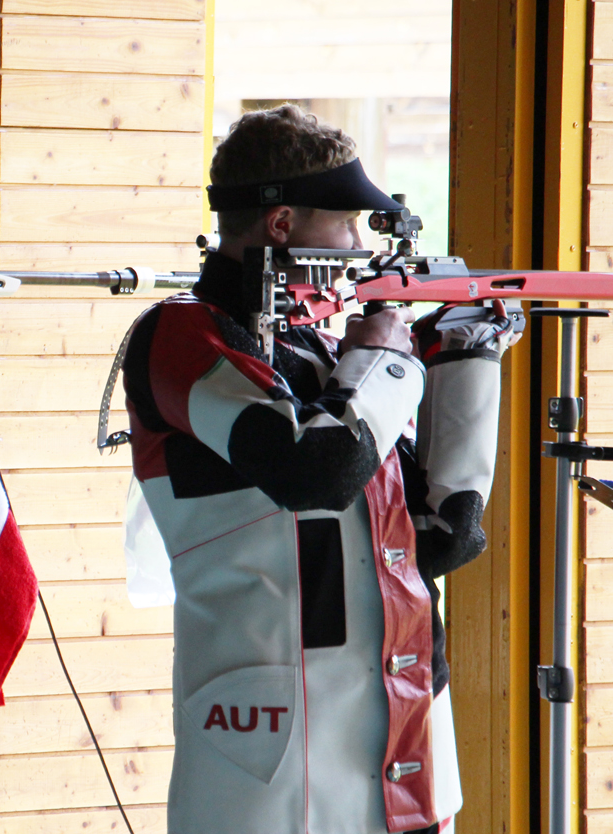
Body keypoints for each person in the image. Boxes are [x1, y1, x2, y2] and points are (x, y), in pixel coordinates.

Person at [121, 104, 509, 833]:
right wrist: (388, 357)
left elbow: (442, 538)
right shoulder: (183, 334)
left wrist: (465, 363)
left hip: (406, 736)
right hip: (270, 750)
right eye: (348, 225)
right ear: (281, 226)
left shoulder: (327, 359)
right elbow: (316, 471)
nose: (361, 247)